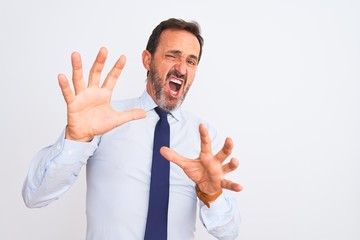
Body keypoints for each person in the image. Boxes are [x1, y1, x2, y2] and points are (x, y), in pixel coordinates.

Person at [22, 18, 242, 240]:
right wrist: (75, 140)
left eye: (191, 61)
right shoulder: (104, 118)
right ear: (147, 60)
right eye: (172, 55)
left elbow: (229, 233)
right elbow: (34, 196)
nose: (182, 68)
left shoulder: (203, 137)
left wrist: (211, 194)